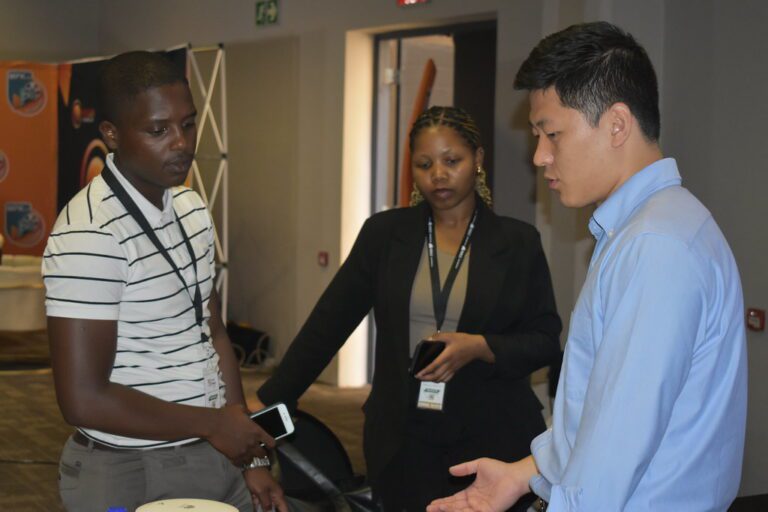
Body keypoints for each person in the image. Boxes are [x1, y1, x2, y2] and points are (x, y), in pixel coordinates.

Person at [427, 21, 748, 512]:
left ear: (617, 124)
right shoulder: (646, 229)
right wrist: (525, 473)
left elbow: (613, 461)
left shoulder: (656, 247)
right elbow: (598, 418)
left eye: (552, 134)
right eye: (537, 135)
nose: (540, 156)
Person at [254, 106, 562, 511]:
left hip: (491, 433)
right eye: (424, 164)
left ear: (478, 159)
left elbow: (544, 340)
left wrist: (480, 347)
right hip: (402, 434)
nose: (438, 175)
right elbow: (327, 325)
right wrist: (270, 401)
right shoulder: (385, 235)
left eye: (452, 161)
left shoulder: (518, 242)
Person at [42, 51, 286, 512]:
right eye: (158, 130)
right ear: (111, 134)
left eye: (188, 124)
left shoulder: (192, 208)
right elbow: (81, 399)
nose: (181, 143)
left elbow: (212, 332)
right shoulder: (90, 233)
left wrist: (250, 455)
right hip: (131, 469)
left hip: (216, 451)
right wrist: (213, 425)